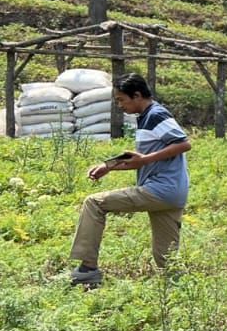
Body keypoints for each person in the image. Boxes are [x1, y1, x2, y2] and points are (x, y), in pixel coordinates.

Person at [68, 73, 191, 287]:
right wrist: (109, 166)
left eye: (121, 100)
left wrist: (145, 160)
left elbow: (183, 144)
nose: (119, 105)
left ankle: (87, 270)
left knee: (94, 203)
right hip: (174, 193)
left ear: (136, 95)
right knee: (166, 259)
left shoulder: (156, 114)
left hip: (159, 190)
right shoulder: (146, 118)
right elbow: (140, 156)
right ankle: (180, 296)